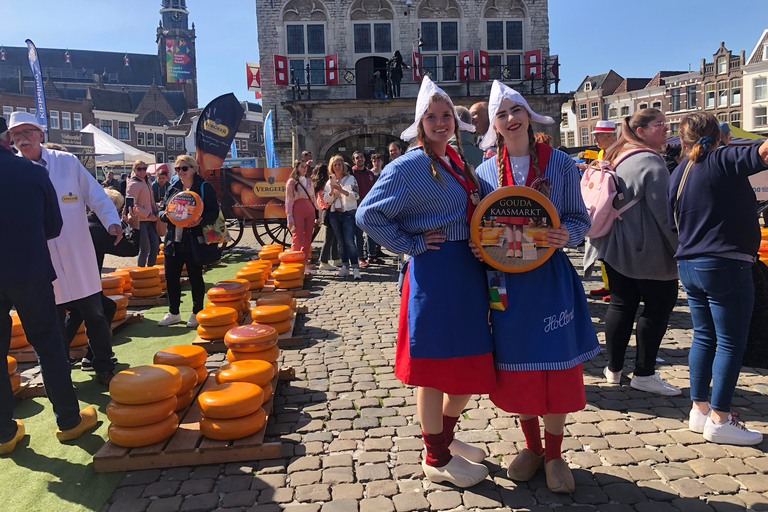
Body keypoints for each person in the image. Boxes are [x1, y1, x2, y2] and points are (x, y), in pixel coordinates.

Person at [357, 77, 493, 488]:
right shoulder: (410, 164)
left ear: (455, 120)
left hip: (465, 272)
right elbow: (367, 215)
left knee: (470, 363)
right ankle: (435, 456)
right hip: (435, 272)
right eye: (431, 117)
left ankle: (443, 437)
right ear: (420, 123)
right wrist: (410, 244)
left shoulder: (458, 159)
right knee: (435, 369)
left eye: (445, 115)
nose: (439, 122)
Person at [474, 81, 599, 493]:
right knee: (517, 367)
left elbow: (580, 219)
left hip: (549, 279)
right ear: (494, 124)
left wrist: (568, 235)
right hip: (506, 282)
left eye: (516, 111)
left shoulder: (560, 164)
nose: (510, 120)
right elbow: (483, 228)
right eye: (502, 114)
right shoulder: (485, 171)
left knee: (556, 365)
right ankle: (531, 448)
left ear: (528, 116)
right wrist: (481, 247)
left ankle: (556, 453)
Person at [669, 112, 768, 445]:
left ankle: (699, 410)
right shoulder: (722, 158)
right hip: (725, 264)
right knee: (730, 342)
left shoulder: (679, 172)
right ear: (721, 135)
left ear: (682, 140)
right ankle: (721, 418)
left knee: (703, 336)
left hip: (690, 264)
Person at [8, 111, 122, 387]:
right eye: (16, 135)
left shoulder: (67, 163)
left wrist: (112, 222)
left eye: (27, 132)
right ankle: (60, 375)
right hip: (41, 260)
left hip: (77, 253)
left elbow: (95, 194)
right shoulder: (14, 170)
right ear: (11, 139)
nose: (23, 139)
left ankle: (104, 365)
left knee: (95, 314)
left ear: (40, 135)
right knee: (53, 322)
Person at [0, 140, 97, 453]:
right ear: (6, 139)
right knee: (48, 344)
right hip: (28, 271)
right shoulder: (30, 171)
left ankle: (3, 432)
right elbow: (54, 226)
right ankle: (69, 420)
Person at [586, 108, 681, 396]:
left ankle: (613, 369)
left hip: (615, 245)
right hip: (648, 249)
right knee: (659, 307)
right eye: (659, 125)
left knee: (620, 305)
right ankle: (644, 373)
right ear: (641, 131)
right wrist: (682, 250)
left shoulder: (615, 154)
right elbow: (665, 215)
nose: (666, 129)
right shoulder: (650, 162)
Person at [65, 189, 140, 370]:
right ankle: (95, 359)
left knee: (77, 313)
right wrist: (135, 226)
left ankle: (67, 356)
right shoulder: (99, 230)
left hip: (69, 281)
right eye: (117, 209)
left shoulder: (84, 222)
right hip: (84, 284)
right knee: (104, 309)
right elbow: (130, 249)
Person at [158, 155, 221, 328]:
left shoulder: (203, 187)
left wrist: (200, 220)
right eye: (177, 169)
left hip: (193, 240)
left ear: (194, 168)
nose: (180, 172)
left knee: (195, 277)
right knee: (171, 277)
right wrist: (167, 216)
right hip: (173, 240)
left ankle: (197, 312)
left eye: (184, 168)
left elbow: (213, 212)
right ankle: (173, 313)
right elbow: (162, 211)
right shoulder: (172, 188)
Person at [587, 120, 618, 300]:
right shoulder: (601, 152)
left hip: (613, 206)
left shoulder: (618, 152)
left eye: (598, 135)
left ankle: (616, 287)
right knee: (602, 249)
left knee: (612, 249)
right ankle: (608, 285)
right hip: (600, 203)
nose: (595, 139)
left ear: (610, 135)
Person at [324, 156, 362, 280]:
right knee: (340, 242)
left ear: (343, 166)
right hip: (335, 214)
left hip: (348, 213)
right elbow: (326, 201)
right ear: (332, 167)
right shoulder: (329, 182)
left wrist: (342, 190)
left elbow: (356, 195)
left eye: (339, 164)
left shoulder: (351, 178)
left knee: (349, 241)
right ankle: (345, 266)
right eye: (335, 165)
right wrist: (331, 192)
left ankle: (355, 267)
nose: (337, 167)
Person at [126, 160, 160, 267]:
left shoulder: (148, 182)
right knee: (145, 249)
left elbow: (151, 200)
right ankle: (141, 274)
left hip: (150, 220)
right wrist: (148, 214)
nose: (142, 171)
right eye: (139, 169)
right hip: (140, 221)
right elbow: (131, 205)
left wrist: (156, 210)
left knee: (155, 246)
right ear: (134, 170)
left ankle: (150, 270)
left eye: (144, 168)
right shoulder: (133, 184)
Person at [285, 158, 317, 265]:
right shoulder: (291, 182)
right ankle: (294, 263)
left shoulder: (309, 181)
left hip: (310, 210)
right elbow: (289, 200)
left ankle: (304, 264)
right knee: (297, 237)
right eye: (302, 167)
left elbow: (313, 198)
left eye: (306, 166)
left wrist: (318, 212)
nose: (305, 169)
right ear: (297, 168)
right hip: (297, 209)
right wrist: (289, 216)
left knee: (308, 238)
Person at [351, 151, 377, 267]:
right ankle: (360, 257)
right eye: (357, 158)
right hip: (357, 206)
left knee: (371, 232)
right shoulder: (351, 173)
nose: (360, 159)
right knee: (358, 234)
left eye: (361, 157)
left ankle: (372, 255)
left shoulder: (370, 173)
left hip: (370, 206)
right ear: (354, 161)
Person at [312, 163, 340, 270]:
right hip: (327, 211)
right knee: (329, 238)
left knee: (334, 236)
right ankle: (323, 261)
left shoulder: (320, 183)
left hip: (326, 210)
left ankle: (336, 258)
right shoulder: (323, 185)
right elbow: (322, 200)